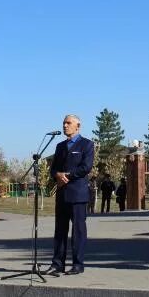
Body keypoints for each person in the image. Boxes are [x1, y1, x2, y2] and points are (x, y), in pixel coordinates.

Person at [42, 114, 95, 277]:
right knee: (60, 231)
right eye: (64, 123)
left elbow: (86, 167)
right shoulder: (59, 146)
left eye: (68, 123)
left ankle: (78, 265)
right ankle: (57, 264)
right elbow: (53, 169)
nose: (65, 125)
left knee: (78, 231)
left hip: (78, 195)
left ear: (78, 126)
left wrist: (68, 175)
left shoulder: (86, 144)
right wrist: (57, 175)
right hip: (62, 194)